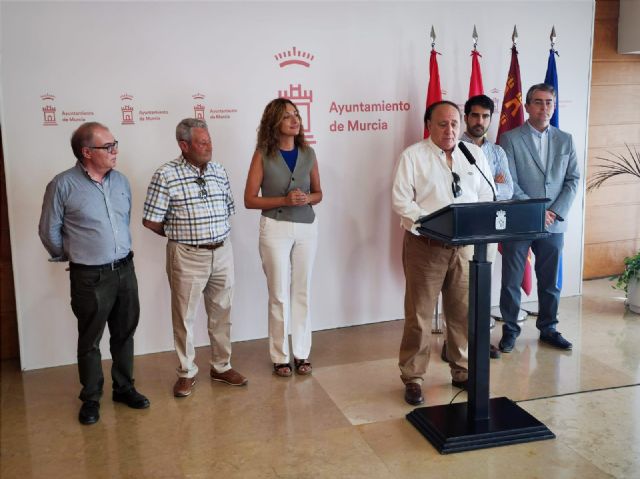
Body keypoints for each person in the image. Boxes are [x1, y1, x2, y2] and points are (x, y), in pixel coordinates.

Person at [39, 122, 150, 425]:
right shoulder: (62, 185)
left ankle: (124, 388)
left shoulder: (121, 181)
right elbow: (48, 231)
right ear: (87, 152)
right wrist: (74, 255)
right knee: (90, 339)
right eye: (108, 146)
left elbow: (122, 221)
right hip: (90, 277)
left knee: (124, 332)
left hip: (125, 269)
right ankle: (91, 398)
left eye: (115, 144)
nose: (115, 151)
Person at [392, 101, 495, 406]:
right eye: (442, 124)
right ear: (428, 125)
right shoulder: (413, 156)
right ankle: (413, 377)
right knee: (420, 315)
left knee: (462, 313)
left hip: (465, 247)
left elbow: (487, 193)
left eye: (454, 123)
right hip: (426, 246)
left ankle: (461, 370)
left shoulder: (473, 154)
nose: (450, 130)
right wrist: (432, 225)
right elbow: (401, 200)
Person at [142, 118, 247, 398]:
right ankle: (186, 372)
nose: (209, 146)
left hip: (222, 252)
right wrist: (182, 235)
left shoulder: (219, 171)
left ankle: (221, 366)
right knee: (184, 317)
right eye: (202, 143)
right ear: (184, 145)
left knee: (222, 312)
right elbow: (151, 220)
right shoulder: (166, 174)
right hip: (187, 255)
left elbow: (228, 209)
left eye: (209, 141)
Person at [498, 83, 580, 353]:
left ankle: (548, 328)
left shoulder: (566, 139)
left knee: (550, 281)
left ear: (553, 106)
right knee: (511, 282)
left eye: (549, 102)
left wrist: (554, 212)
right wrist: (536, 212)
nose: (544, 107)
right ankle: (510, 330)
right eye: (538, 102)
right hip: (520, 221)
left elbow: (572, 179)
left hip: (553, 223)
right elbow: (509, 182)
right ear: (527, 106)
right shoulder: (510, 138)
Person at [244, 99, 322, 377]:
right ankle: (280, 356)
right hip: (275, 228)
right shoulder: (262, 155)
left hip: (306, 227)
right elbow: (250, 199)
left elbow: (318, 194)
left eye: (296, 114)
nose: (294, 119)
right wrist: (284, 200)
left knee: (302, 291)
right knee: (278, 294)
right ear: (274, 122)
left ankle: (302, 353)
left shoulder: (308, 153)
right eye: (287, 115)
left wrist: (306, 199)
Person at [462, 94, 515, 359]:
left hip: (490, 227)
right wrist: (492, 185)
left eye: (485, 116)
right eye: (475, 115)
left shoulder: (497, 152)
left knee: (483, 286)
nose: (479, 121)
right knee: (460, 289)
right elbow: (460, 193)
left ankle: (481, 340)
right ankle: (456, 344)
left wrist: (484, 191)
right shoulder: (454, 148)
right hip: (462, 228)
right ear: (466, 117)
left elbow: (508, 189)